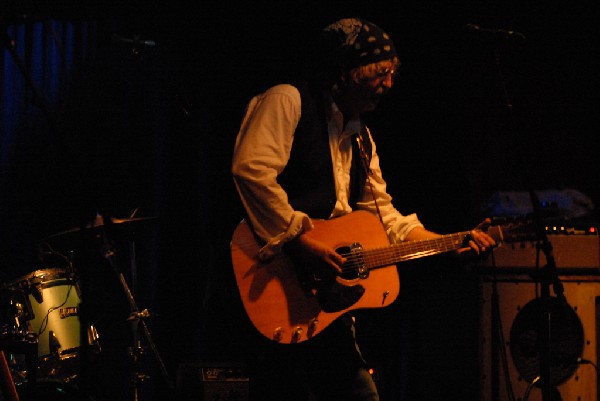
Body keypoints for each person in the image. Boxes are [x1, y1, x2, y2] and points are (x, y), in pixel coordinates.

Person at [229, 18, 496, 401]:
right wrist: (298, 239)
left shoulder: (362, 140)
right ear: (346, 72)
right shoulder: (288, 101)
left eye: (391, 75)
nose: (388, 85)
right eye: (380, 74)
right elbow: (250, 170)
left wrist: (448, 244)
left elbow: (385, 220)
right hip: (273, 284)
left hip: (324, 310)